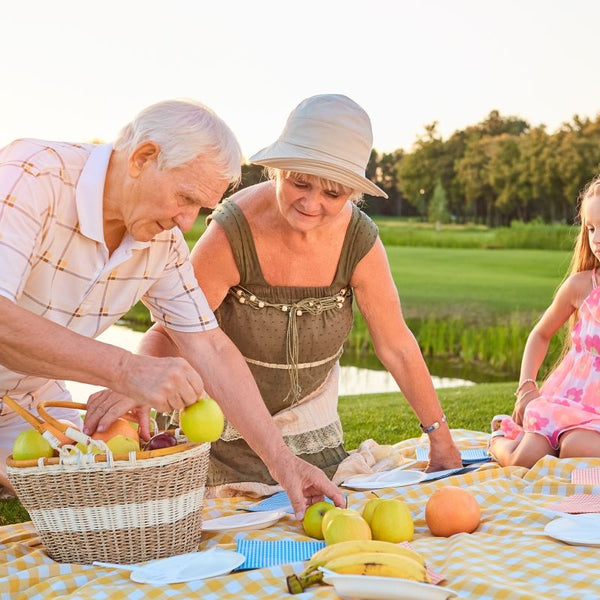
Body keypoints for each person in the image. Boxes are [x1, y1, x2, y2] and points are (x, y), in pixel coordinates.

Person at [0, 99, 344, 517]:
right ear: (143, 158)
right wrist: (127, 372)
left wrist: (283, 462)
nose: (186, 223)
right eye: (184, 197)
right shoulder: (31, 176)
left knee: (107, 506)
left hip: (29, 406)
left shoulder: (162, 245)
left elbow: (210, 348)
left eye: (199, 208)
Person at [135, 94, 462, 497]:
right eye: (299, 182)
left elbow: (396, 346)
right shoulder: (230, 233)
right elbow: (171, 332)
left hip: (308, 438)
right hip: (214, 435)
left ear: (352, 195)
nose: (311, 203)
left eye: (333, 193)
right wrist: (129, 388)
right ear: (276, 170)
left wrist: (439, 438)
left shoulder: (359, 242)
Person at [490, 175, 600, 467]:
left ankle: (560, 447)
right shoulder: (581, 286)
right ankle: (499, 440)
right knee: (521, 459)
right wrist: (527, 386)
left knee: (577, 446)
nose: (596, 238)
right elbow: (540, 334)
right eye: (591, 228)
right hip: (569, 401)